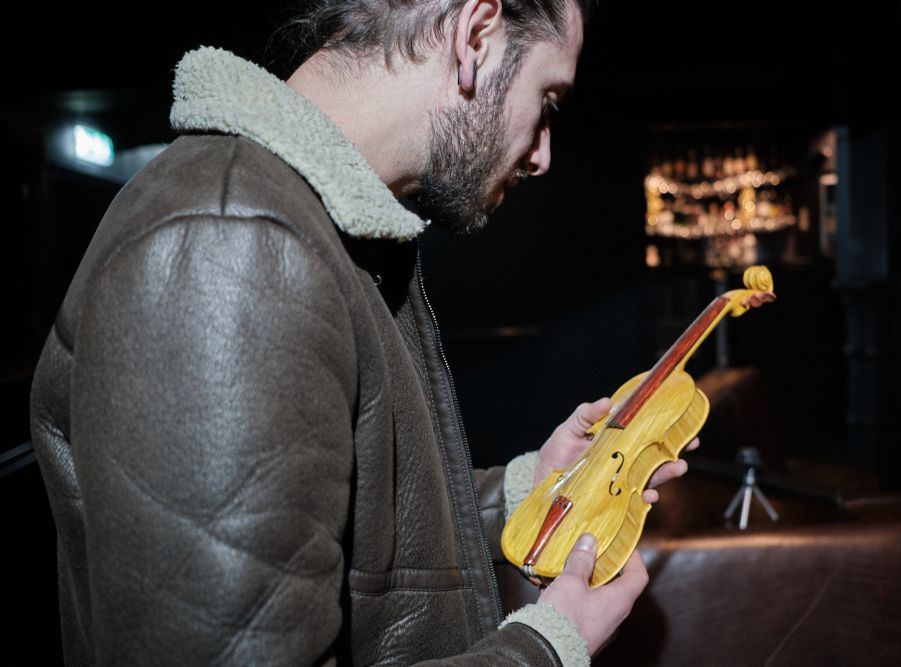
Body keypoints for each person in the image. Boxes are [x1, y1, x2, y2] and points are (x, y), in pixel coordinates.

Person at [30, 1, 695, 664]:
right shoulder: (231, 239)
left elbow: (342, 526)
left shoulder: (310, 227)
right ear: (475, 34)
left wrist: (534, 492)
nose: (543, 153)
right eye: (547, 99)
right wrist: (545, 648)